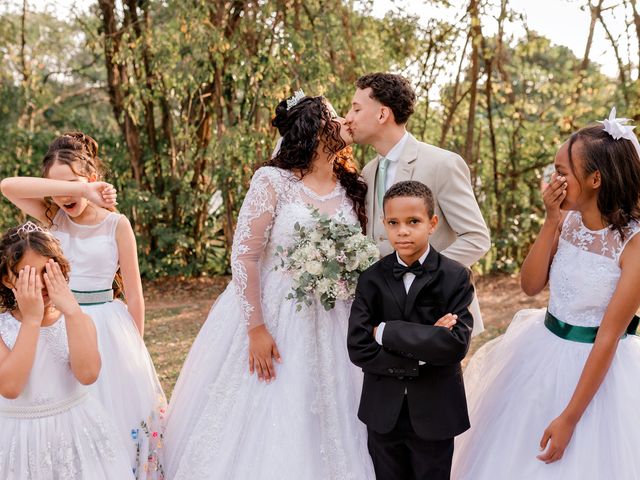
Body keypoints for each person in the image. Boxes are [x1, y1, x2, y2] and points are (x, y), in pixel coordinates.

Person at [162, 92, 375, 479]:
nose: (344, 119)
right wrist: (256, 327)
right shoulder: (273, 181)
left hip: (337, 315)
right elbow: (244, 255)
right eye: (334, 115)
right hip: (277, 312)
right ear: (313, 129)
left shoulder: (353, 185)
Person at [452, 108, 640, 479]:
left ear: (595, 179)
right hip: (540, 352)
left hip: (598, 367)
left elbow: (608, 337)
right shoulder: (567, 220)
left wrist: (570, 418)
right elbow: (530, 285)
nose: (553, 180)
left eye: (562, 172)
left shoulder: (633, 245)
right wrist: (551, 221)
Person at [0, 132, 166, 478]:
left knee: (119, 412)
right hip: (58, 321)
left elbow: (134, 293)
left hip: (108, 325)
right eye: (55, 187)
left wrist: (134, 346)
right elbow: (8, 186)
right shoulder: (50, 217)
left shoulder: (116, 224)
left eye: (73, 183)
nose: (63, 195)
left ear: (92, 177)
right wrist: (77, 191)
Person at [345, 72, 490, 334]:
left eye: (356, 108)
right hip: (388, 317)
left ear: (382, 115)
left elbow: (476, 238)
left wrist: (424, 276)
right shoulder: (367, 172)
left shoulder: (442, 164)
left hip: (439, 314)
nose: (348, 118)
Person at [348, 180, 474, 480]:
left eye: (413, 222)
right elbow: (358, 347)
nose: (402, 230)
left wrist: (385, 332)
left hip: (436, 410)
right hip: (383, 411)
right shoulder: (371, 279)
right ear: (384, 224)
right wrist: (426, 342)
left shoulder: (455, 276)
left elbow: (455, 345)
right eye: (394, 222)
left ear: (432, 223)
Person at [0, 223, 135, 479]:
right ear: (8, 279)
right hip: (20, 440)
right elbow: (10, 387)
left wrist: (72, 310)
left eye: (48, 272)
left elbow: (88, 374)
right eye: (28, 274)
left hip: (77, 434)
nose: (41, 283)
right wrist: (31, 320)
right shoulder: (2, 327)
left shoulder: (77, 319)